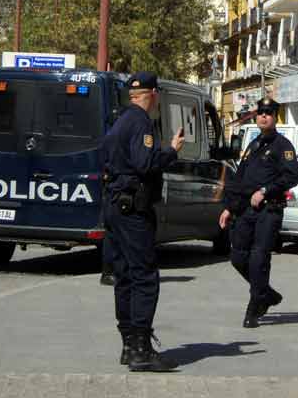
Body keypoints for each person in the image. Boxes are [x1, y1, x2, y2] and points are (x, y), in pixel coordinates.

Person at [102, 72, 184, 372]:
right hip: (134, 210)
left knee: (123, 275)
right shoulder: (140, 122)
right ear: (152, 94)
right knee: (144, 277)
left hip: (115, 204)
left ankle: (128, 344)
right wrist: (172, 152)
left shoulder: (121, 121)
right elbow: (145, 163)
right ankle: (140, 348)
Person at [219, 97, 298, 328]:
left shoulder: (283, 146)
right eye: (260, 113)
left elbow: (292, 176)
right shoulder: (254, 145)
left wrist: (265, 191)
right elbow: (239, 179)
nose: (263, 116)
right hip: (245, 210)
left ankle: (254, 307)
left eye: (269, 113)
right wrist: (228, 207)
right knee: (238, 257)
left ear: (275, 117)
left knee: (258, 258)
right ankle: (266, 293)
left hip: (268, 210)